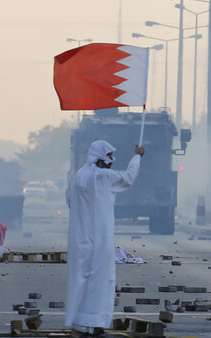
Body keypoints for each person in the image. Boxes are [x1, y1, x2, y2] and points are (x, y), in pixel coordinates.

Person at [65, 140, 145, 338]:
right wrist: (137, 156)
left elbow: (69, 200)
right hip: (98, 241)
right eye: (109, 155)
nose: (111, 159)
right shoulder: (103, 176)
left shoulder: (80, 175)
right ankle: (91, 324)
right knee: (100, 282)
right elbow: (127, 179)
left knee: (82, 282)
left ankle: (87, 325)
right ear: (101, 156)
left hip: (81, 240)